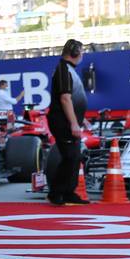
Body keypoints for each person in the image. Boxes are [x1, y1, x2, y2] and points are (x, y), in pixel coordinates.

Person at [46, 39, 90, 206]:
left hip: (69, 120)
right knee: (70, 156)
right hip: (62, 121)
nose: (82, 54)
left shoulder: (68, 70)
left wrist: (80, 118)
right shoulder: (63, 70)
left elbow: (72, 99)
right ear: (74, 53)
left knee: (74, 157)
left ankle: (68, 192)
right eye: (81, 51)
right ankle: (56, 192)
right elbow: (65, 99)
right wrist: (73, 123)